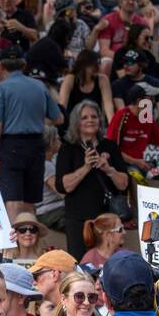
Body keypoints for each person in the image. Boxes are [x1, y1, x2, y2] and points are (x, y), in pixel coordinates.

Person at [0, 47, 64, 221]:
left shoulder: (1, 89)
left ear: (1, 66)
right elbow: (58, 118)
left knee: (13, 200)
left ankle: (15, 245)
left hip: (12, 146)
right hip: (36, 144)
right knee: (30, 200)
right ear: (23, 64)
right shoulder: (39, 85)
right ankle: (31, 241)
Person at [55, 101, 128, 256]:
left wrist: (108, 170)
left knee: (110, 263)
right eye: (84, 117)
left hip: (107, 219)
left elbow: (123, 184)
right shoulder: (68, 148)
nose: (90, 120)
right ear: (76, 122)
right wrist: (86, 167)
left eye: (94, 116)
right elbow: (63, 186)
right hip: (78, 220)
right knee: (82, 266)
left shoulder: (110, 146)